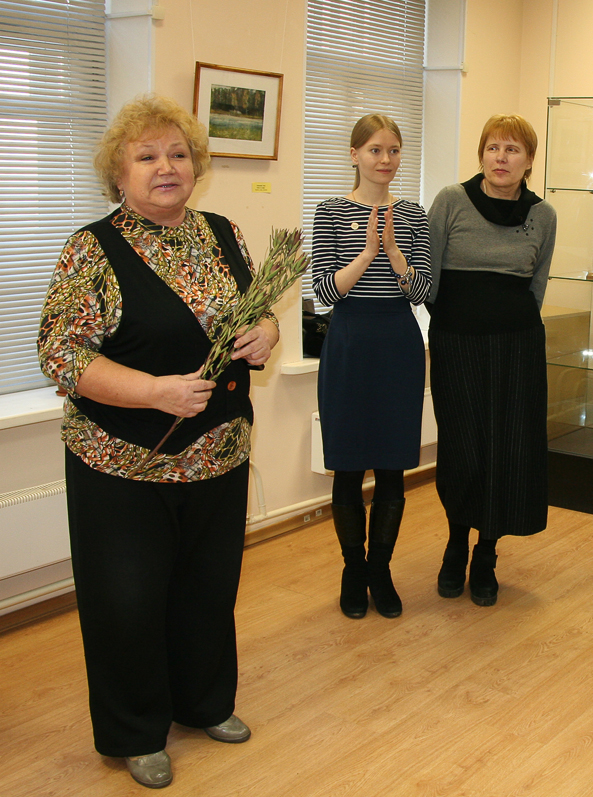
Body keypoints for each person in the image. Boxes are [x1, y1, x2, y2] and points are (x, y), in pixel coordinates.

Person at [38, 94, 278, 789]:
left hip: (218, 455)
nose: (165, 166)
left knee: (208, 588)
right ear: (118, 173)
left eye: (177, 154)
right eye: (146, 156)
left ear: (196, 165)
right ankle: (136, 730)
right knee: (128, 600)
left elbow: (257, 315)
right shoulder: (92, 249)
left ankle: (203, 703)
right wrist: (153, 391)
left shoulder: (223, 232)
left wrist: (267, 333)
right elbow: (61, 355)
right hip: (123, 463)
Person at [426, 114, 557, 607]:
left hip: (517, 346)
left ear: (529, 160)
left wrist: (506, 323)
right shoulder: (451, 200)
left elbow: (537, 285)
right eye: (493, 148)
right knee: (463, 446)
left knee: (507, 448)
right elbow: (428, 279)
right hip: (457, 342)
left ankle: (486, 553)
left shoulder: (543, 214)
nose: (501, 158)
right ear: (481, 154)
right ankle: (456, 543)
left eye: (512, 149)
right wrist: (461, 321)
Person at [311, 114, 431, 620]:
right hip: (349, 343)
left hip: (398, 343)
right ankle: (353, 570)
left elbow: (423, 292)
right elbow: (323, 292)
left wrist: (396, 254)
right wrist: (366, 254)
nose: (386, 160)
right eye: (375, 150)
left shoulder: (415, 214)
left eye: (394, 150)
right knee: (347, 465)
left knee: (391, 467)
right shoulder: (331, 211)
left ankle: (380, 569)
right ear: (355, 154)